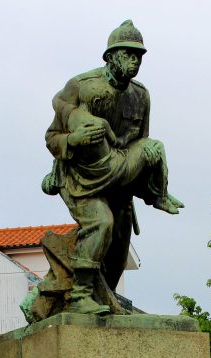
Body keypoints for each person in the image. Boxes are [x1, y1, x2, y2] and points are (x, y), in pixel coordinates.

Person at [40, 19, 184, 315]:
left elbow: (140, 142)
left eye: (139, 56)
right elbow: (52, 137)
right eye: (128, 54)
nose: (134, 62)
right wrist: (75, 138)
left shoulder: (140, 95)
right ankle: (79, 295)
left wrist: (148, 183)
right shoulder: (82, 87)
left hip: (119, 176)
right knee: (100, 223)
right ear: (110, 57)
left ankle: (103, 299)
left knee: (118, 250)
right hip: (81, 177)